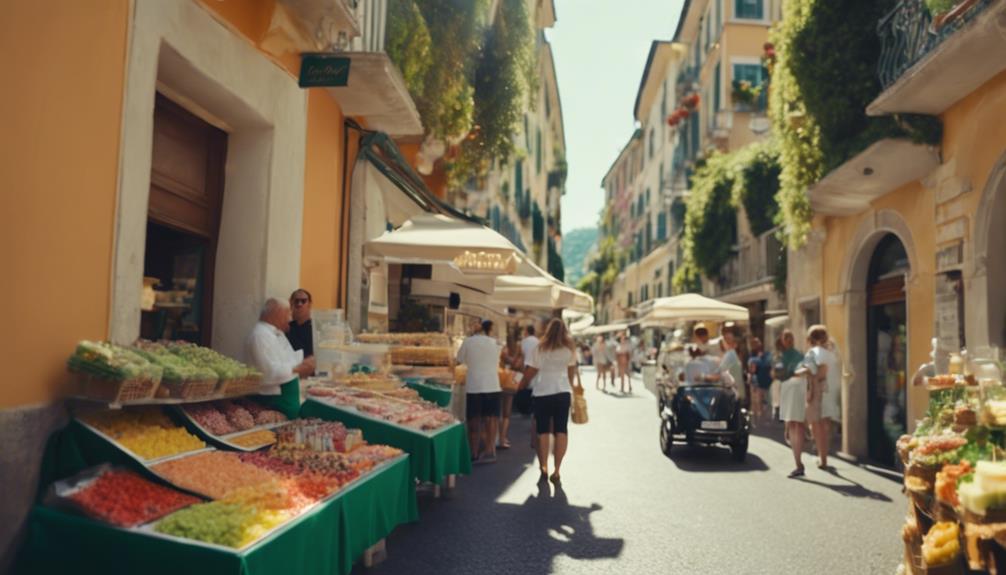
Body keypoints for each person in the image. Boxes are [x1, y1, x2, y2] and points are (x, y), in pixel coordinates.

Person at [519, 318, 580, 484]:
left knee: (542, 431)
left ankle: (543, 467)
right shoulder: (569, 349)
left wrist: (521, 384)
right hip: (562, 392)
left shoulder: (540, 348)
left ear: (548, 330)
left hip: (542, 392)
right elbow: (571, 373)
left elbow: (531, 371)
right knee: (561, 431)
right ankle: (557, 470)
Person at [245, 298, 315, 418]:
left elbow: (289, 359)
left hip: (288, 400)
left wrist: (306, 364)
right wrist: (298, 368)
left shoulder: (277, 333)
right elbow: (267, 373)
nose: (290, 318)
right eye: (288, 313)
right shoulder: (260, 335)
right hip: (275, 402)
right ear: (277, 314)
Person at [456, 320, 503, 463]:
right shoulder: (496, 343)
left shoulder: (468, 342)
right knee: (491, 419)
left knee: (474, 420)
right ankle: (490, 450)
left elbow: (459, 360)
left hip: (474, 385)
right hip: (492, 384)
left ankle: (474, 452)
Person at [797, 325, 841, 470]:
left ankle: (822, 459)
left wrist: (801, 372)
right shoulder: (830, 353)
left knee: (817, 426)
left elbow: (818, 372)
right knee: (823, 426)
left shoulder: (814, 352)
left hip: (818, 393)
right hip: (829, 392)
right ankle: (823, 457)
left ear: (811, 339)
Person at [498, 337, 522, 450]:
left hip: (497, 382)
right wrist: (519, 352)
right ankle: (502, 438)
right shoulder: (504, 353)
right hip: (507, 383)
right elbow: (515, 364)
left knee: (497, 413)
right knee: (506, 413)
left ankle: (499, 438)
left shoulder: (497, 352)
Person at [747, 337, 773, 424]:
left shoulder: (766, 354)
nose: (755, 346)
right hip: (757, 383)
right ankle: (759, 419)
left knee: (764, 402)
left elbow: (769, 365)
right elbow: (752, 370)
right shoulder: (752, 356)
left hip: (766, 382)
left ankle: (764, 419)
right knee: (758, 402)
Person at [285, 288, 314, 358]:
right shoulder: (285, 328)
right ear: (291, 303)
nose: (299, 304)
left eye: (303, 301)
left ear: (309, 304)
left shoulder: (316, 328)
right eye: (296, 301)